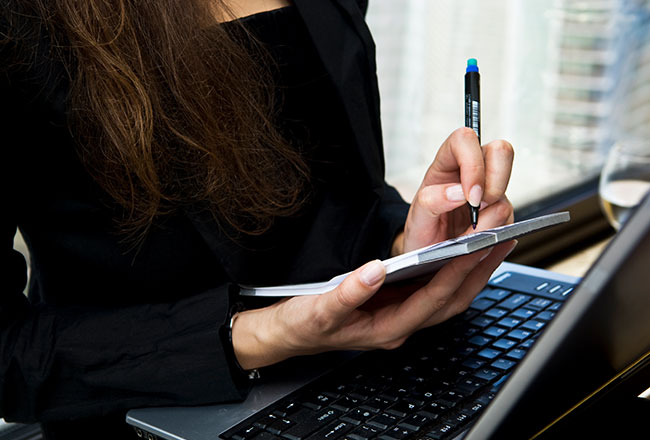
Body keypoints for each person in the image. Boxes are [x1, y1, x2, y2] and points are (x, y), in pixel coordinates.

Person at [0, 0, 515, 438]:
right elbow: (9, 360)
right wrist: (262, 334)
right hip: (160, 417)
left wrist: (408, 244)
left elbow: (341, 191)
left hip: (375, 377)